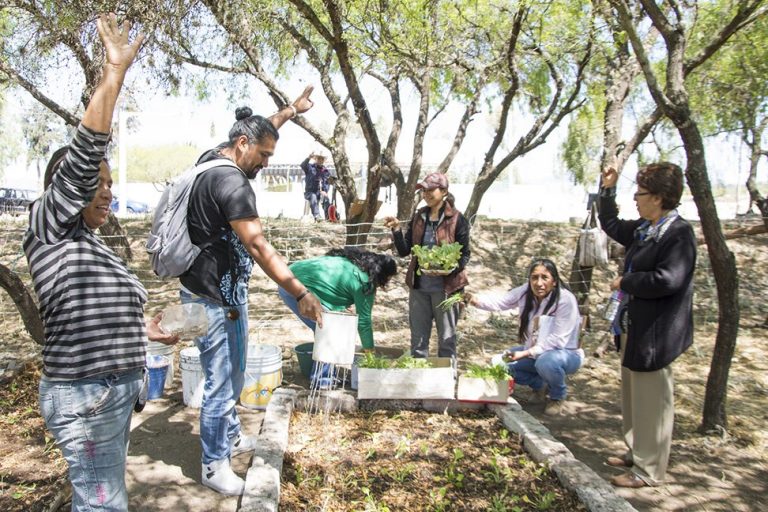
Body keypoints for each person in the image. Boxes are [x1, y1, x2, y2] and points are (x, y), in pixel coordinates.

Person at [23, 14, 179, 511]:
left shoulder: (87, 243)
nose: (107, 190)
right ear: (64, 190)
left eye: (111, 183)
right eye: (98, 181)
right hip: (86, 395)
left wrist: (142, 330)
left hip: (108, 394)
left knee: (101, 498)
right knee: (102, 504)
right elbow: (82, 158)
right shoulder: (47, 226)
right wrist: (114, 75)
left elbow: (87, 315)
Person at [179, 91, 324, 495]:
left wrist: (290, 111)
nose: (266, 163)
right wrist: (300, 292)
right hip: (215, 299)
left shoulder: (214, 157)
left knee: (231, 373)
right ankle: (214, 464)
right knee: (223, 382)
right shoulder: (231, 182)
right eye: (263, 155)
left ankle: (229, 435)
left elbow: (263, 129)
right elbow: (258, 245)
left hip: (210, 293)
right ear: (243, 145)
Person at [599, 163, 696, 488]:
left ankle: (648, 470)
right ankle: (636, 451)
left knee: (652, 400)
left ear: (658, 197)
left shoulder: (678, 234)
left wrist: (626, 281)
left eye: (639, 194)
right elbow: (611, 224)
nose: (636, 200)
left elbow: (669, 279)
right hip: (635, 326)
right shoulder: (645, 228)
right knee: (633, 394)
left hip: (657, 333)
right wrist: (608, 190)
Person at [465, 258, 583, 416]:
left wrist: (525, 353)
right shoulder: (525, 292)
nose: (539, 283)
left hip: (564, 354)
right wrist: (474, 300)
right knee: (498, 363)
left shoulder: (565, 300)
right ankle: (539, 384)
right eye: (534, 278)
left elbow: (557, 340)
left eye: (545, 278)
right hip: (533, 352)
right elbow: (501, 302)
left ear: (554, 281)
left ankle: (557, 396)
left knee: (546, 362)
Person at [278, 247, 397, 385]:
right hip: (296, 288)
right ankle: (322, 380)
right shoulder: (365, 283)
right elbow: (364, 323)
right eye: (389, 278)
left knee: (329, 328)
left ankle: (326, 374)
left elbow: (329, 285)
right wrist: (370, 352)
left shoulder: (351, 263)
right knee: (330, 332)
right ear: (382, 274)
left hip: (287, 277)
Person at [383, 172, 470, 359]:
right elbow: (405, 250)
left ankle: (447, 374)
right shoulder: (419, 216)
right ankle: (419, 374)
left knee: (447, 340)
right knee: (418, 340)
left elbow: (465, 255)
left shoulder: (457, 219)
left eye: (431, 190)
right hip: (419, 288)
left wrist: (449, 268)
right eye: (424, 191)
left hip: (446, 289)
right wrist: (396, 230)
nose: (426, 194)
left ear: (444, 191)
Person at [300, 152, 331, 221]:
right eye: (319, 158)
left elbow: (327, 183)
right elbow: (303, 165)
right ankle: (317, 216)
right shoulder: (310, 167)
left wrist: (325, 191)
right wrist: (309, 158)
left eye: (322, 159)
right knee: (313, 196)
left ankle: (328, 217)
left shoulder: (325, 171)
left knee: (325, 198)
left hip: (320, 192)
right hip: (309, 192)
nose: (320, 160)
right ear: (315, 159)